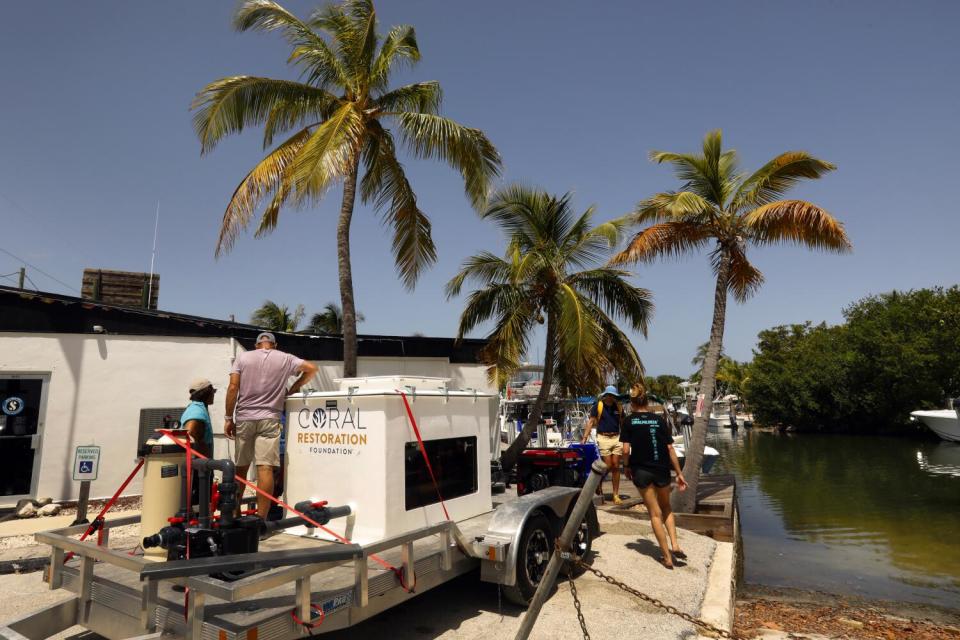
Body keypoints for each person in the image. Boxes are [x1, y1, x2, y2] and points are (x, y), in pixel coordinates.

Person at [225, 332, 318, 518]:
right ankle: (261, 519)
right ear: (274, 345)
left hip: (244, 417)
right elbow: (312, 368)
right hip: (271, 418)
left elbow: (233, 387)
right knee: (265, 468)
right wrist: (295, 388)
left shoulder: (243, 358)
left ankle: (234, 515)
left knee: (241, 467)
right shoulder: (285, 358)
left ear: (257, 345)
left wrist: (228, 417)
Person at [620, 383, 688, 569]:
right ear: (646, 401)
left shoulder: (628, 421)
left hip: (641, 470)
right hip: (661, 469)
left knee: (654, 513)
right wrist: (679, 473)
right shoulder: (658, 420)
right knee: (666, 507)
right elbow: (670, 448)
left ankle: (666, 557)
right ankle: (675, 545)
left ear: (632, 403)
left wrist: (626, 466)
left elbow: (625, 449)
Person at [581, 385, 624, 504]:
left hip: (617, 437)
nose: (611, 397)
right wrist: (585, 437)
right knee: (607, 465)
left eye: (613, 395)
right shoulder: (598, 406)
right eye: (609, 395)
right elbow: (590, 422)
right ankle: (598, 484)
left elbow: (623, 423)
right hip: (603, 437)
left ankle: (616, 494)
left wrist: (627, 438)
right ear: (606, 395)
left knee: (616, 466)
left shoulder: (618, 407)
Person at [180, 378, 216, 459]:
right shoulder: (197, 412)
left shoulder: (196, 408)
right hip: (198, 468)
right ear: (205, 393)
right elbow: (190, 439)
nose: (214, 394)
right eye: (213, 391)